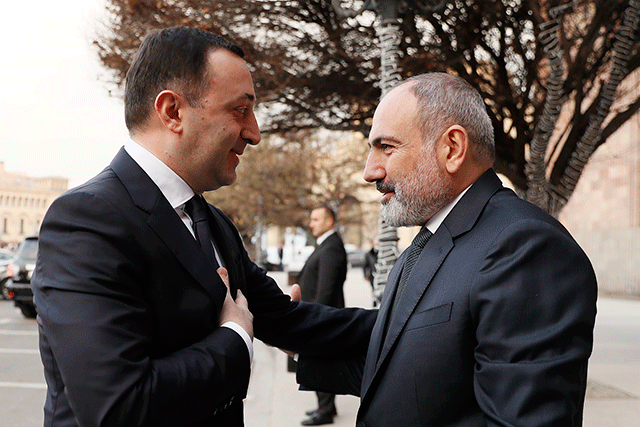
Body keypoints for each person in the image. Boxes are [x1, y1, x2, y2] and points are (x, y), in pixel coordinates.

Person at [31, 26, 376, 427]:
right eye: (240, 110)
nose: (255, 133)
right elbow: (118, 406)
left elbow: (287, 321)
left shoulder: (212, 221)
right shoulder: (87, 220)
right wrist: (235, 338)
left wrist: (415, 320)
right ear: (173, 112)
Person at [295, 72, 598, 426]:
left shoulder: (527, 248)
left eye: (386, 147)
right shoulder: (426, 243)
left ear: (452, 148)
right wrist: (292, 335)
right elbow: (402, 369)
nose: (370, 171)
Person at [297, 206, 348, 425]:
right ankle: (326, 407)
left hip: (323, 317)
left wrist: (314, 320)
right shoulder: (326, 244)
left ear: (329, 221)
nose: (311, 224)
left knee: (322, 363)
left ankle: (325, 411)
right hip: (320, 315)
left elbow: (326, 289)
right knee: (319, 361)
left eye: (316, 219)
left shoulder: (331, 246)